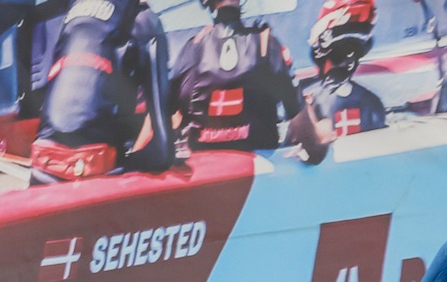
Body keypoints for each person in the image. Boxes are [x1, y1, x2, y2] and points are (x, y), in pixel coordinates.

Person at [31, 0, 177, 179]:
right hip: (96, 172)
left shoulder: (71, 16)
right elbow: (162, 151)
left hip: (42, 165)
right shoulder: (144, 20)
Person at [170, 0, 328, 161]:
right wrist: (323, 134)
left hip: (205, 177)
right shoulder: (266, 44)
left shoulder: (192, 49)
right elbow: (310, 143)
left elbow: (165, 126)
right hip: (259, 178)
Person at [303, 0, 388, 138]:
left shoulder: (371, 104)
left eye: (354, 52)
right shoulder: (309, 102)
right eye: (339, 53)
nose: (348, 60)